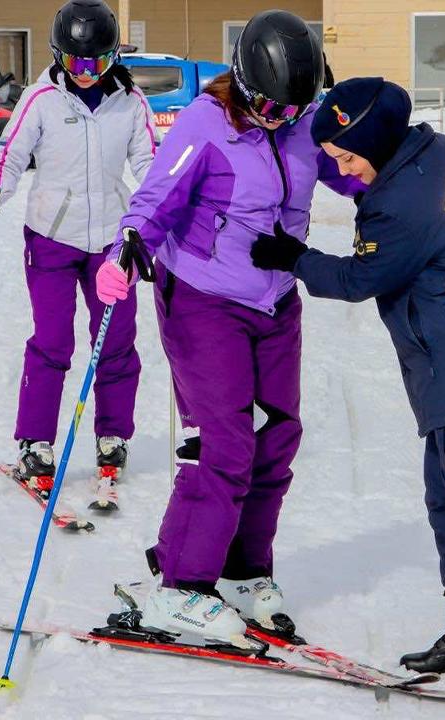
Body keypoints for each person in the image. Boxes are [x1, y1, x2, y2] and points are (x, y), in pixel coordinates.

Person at [250, 76, 445, 717]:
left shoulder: (398, 202)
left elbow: (359, 277)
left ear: (372, 136)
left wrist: (292, 255)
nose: (342, 169)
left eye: (345, 155)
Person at [95, 10, 362, 646]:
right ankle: (184, 587)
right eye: (268, 105)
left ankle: (243, 572)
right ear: (243, 80)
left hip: (276, 301)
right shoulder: (205, 123)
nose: (279, 118)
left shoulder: (301, 123)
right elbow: (155, 199)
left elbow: (351, 171)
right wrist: (127, 248)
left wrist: (402, 168)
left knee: (278, 438)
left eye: (292, 108)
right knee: (225, 442)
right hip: (204, 300)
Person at [0, 0, 155, 509]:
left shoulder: (130, 101)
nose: (88, 74)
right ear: (59, 58)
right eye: (77, 64)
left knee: (115, 342)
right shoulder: (42, 99)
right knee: (53, 343)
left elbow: (150, 164)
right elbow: (10, 153)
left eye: (98, 63)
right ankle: (36, 443)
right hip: (51, 236)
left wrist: (163, 214)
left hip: (112, 242)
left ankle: (113, 435)